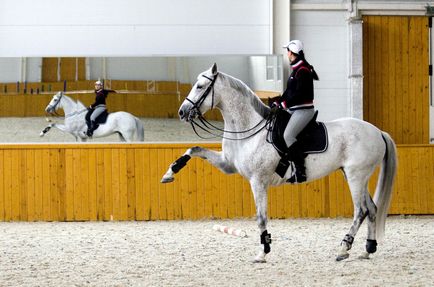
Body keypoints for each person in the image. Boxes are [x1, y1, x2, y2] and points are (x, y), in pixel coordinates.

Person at [275, 40, 319, 182]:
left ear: (291, 52)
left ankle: (301, 171)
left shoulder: (303, 71)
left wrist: (285, 104)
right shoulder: (296, 70)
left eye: (287, 51)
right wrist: (278, 101)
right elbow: (289, 91)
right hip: (294, 110)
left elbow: (300, 94)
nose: (286, 53)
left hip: (304, 111)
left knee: (288, 136)